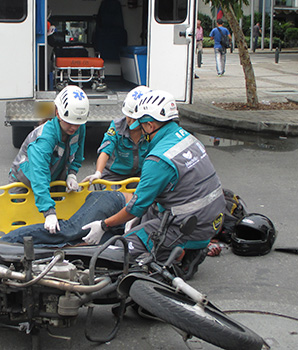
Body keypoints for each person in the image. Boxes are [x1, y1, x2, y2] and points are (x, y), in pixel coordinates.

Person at [81, 90, 226, 279]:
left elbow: (135, 208)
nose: (136, 130)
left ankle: (171, 257)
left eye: (139, 125)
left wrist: (104, 225)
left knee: (121, 249)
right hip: (213, 218)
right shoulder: (187, 138)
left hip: (189, 225)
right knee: (145, 217)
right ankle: (186, 250)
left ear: (150, 125)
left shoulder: (158, 160)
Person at [8, 85, 90, 234]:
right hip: (24, 180)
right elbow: (39, 175)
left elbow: (77, 155)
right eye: (70, 123)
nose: (74, 128)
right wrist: (48, 212)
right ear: (58, 113)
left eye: (77, 124)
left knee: (56, 225)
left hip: (54, 177)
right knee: (19, 225)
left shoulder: (79, 128)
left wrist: (72, 173)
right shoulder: (45, 138)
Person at [0, 191, 130, 247]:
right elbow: (136, 207)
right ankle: (1, 243)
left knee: (73, 247)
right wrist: (49, 212)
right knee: (70, 230)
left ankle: (15, 250)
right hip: (117, 204)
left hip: (119, 229)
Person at [82, 85, 151, 185]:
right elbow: (106, 150)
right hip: (114, 176)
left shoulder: (150, 130)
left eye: (135, 118)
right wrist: (98, 173)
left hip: (139, 175)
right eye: (128, 116)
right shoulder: (117, 127)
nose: (131, 121)